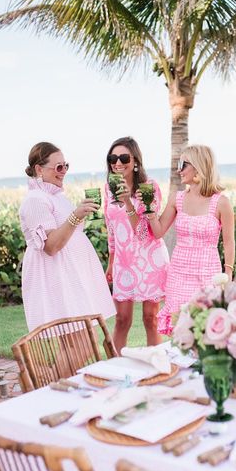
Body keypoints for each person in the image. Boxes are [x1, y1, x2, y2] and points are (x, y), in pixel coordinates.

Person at [19, 142, 115, 331]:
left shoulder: (57, 196)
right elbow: (51, 246)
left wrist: (80, 212)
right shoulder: (35, 200)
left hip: (73, 276)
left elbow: (67, 230)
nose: (64, 171)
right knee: (80, 344)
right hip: (59, 280)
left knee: (84, 342)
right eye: (58, 167)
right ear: (39, 169)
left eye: (66, 166)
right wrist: (76, 215)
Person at [143, 144, 235, 336]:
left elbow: (228, 242)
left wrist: (228, 274)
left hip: (208, 274)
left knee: (207, 332)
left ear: (199, 166)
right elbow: (158, 231)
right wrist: (150, 210)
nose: (179, 169)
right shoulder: (177, 199)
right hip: (178, 274)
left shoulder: (221, 202)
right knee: (181, 332)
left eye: (183, 164)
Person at [104, 137, 169, 350]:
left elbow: (143, 234)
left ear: (135, 161)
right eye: (113, 158)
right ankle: (114, 368)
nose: (118, 163)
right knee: (122, 320)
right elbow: (111, 229)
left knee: (151, 319)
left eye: (124, 157)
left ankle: (154, 368)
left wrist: (127, 202)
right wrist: (111, 261)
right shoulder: (107, 188)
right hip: (123, 262)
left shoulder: (149, 188)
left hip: (150, 259)